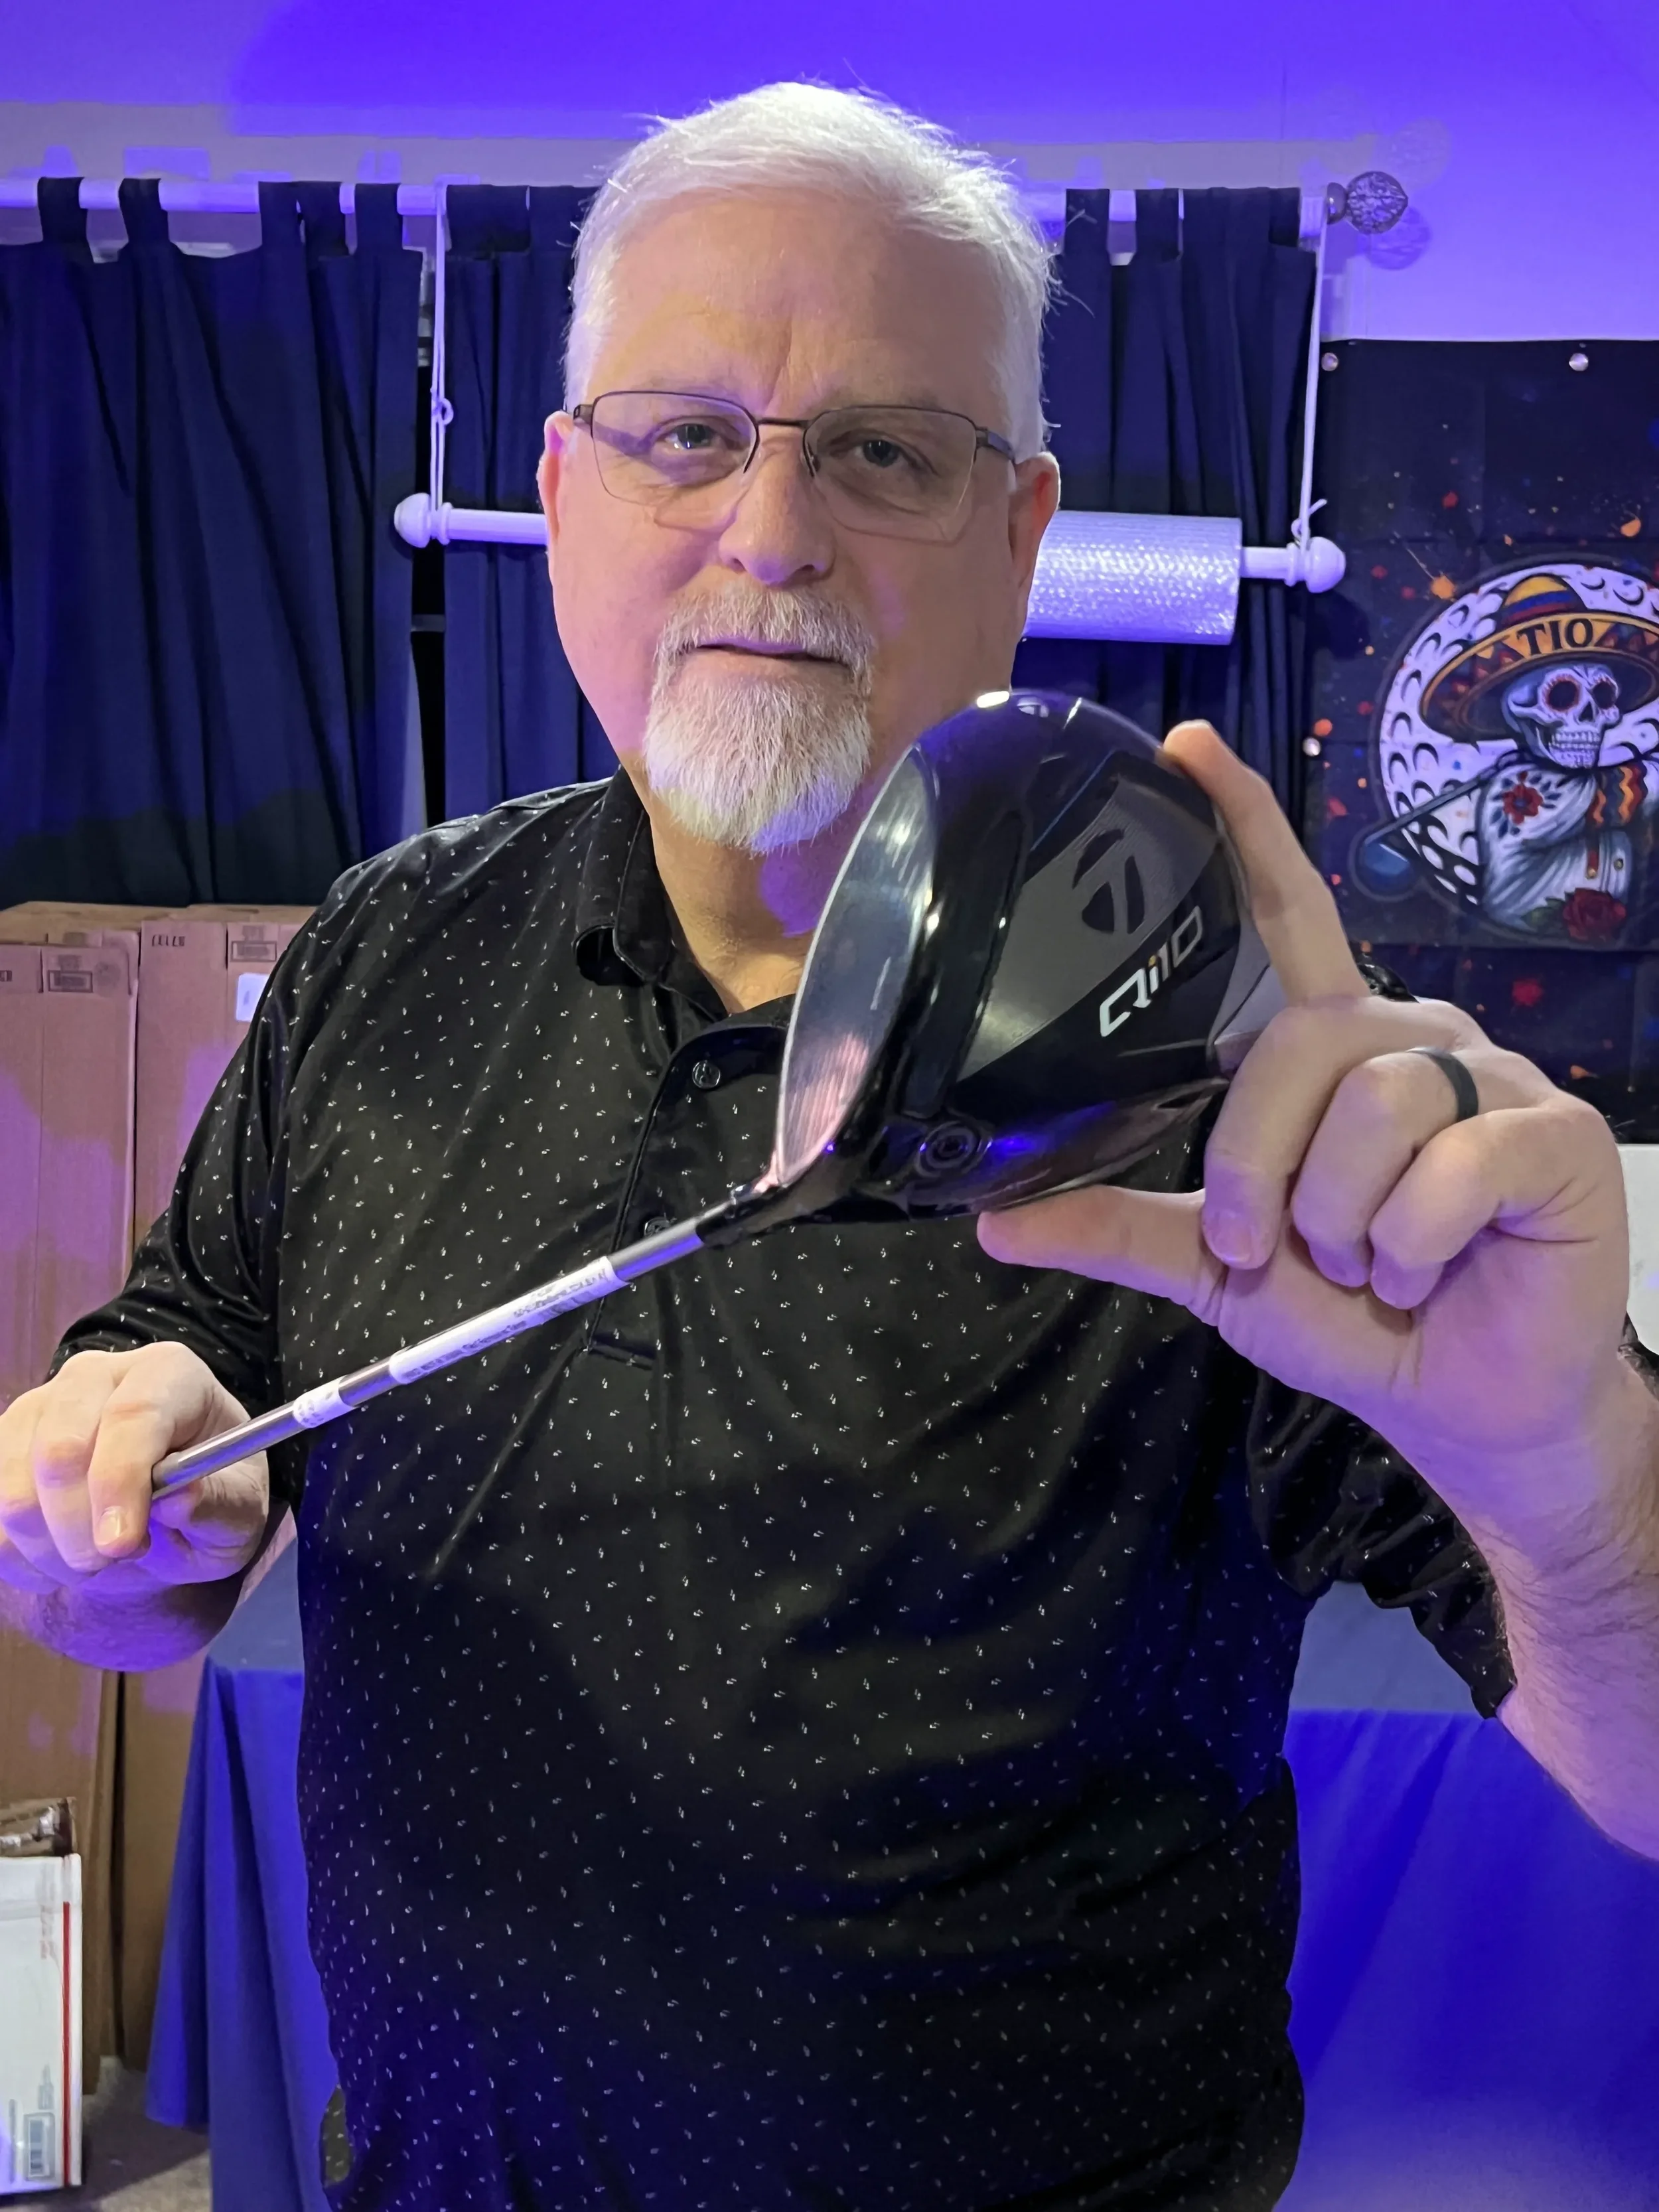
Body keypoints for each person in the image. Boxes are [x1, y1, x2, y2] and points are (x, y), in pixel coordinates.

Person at [3, 82, 1657, 2212]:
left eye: (880, 449)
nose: (770, 530)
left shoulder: (1227, 1086)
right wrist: (123, 1511)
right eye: (685, 431)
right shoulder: (382, 947)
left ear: (1022, 529)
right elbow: (180, 1428)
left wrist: (1570, 1488)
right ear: (559, 491)